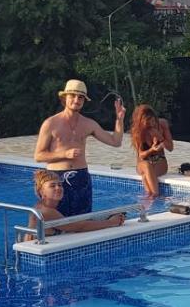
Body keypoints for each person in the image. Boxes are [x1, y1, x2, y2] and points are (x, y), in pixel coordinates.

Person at [33, 79, 126, 217]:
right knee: (56, 222)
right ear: (65, 98)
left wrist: (119, 119)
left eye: (81, 97)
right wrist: (65, 154)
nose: (76, 100)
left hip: (81, 178)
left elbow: (115, 141)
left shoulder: (88, 124)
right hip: (57, 178)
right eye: (73, 96)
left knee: (83, 220)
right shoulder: (50, 123)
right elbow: (38, 156)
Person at [21, 169, 126, 241]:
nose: (58, 188)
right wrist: (111, 222)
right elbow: (79, 227)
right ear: (41, 192)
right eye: (52, 186)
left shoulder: (42, 205)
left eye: (60, 185)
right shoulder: (46, 212)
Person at [131, 104, 175, 198]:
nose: (152, 124)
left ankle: (150, 198)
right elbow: (141, 155)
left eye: (153, 121)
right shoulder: (138, 131)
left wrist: (160, 137)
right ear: (142, 123)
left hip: (159, 160)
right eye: (148, 122)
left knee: (145, 176)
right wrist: (151, 150)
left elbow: (170, 148)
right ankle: (155, 195)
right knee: (147, 166)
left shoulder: (162, 124)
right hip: (143, 162)